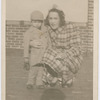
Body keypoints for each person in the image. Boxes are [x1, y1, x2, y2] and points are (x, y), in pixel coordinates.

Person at [41, 6, 83, 88]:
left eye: (55, 18)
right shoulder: (47, 28)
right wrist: (31, 43)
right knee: (47, 53)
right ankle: (59, 77)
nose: (52, 21)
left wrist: (65, 54)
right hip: (56, 56)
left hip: (72, 58)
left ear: (60, 19)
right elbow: (32, 33)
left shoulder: (70, 27)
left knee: (56, 58)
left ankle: (67, 77)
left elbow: (78, 48)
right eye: (50, 18)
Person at [24, 11, 48, 89]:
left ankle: (39, 82)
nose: (37, 24)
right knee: (33, 68)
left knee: (41, 69)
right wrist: (26, 58)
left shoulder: (45, 31)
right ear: (31, 22)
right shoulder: (29, 32)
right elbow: (26, 45)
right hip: (34, 54)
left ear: (42, 22)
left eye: (39, 22)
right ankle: (30, 82)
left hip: (43, 54)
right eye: (34, 22)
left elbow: (48, 41)